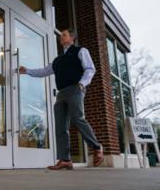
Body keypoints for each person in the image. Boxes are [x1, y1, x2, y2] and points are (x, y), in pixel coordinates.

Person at [19, 29, 104, 170]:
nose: (61, 37)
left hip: (75, 88)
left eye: (63, 34)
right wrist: (27, 71)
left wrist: (82, 83)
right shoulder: (58, 60)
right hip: (61, 93)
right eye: (60, 35)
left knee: (78, 118)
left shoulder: (80, 51)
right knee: (60, 126)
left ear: (72, 37)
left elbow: (90, 69)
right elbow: (44, 71)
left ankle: (96, 147)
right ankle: (65, 159)